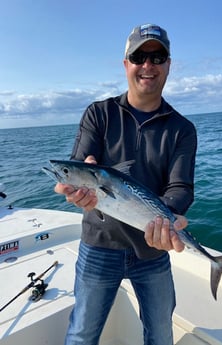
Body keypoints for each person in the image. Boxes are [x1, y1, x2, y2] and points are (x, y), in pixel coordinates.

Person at [55, 23, 197, 345]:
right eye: (138, 56)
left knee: (161, 335)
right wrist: (72, 189)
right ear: (126, 64)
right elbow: (79, 166)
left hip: (153, 250)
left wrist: (169, 216)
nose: (148, 65)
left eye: (157, 56)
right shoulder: (99, 114)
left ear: (168, 65)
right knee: (81, 334)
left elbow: (180, 187)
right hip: (98, 246)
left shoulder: (182, 129)